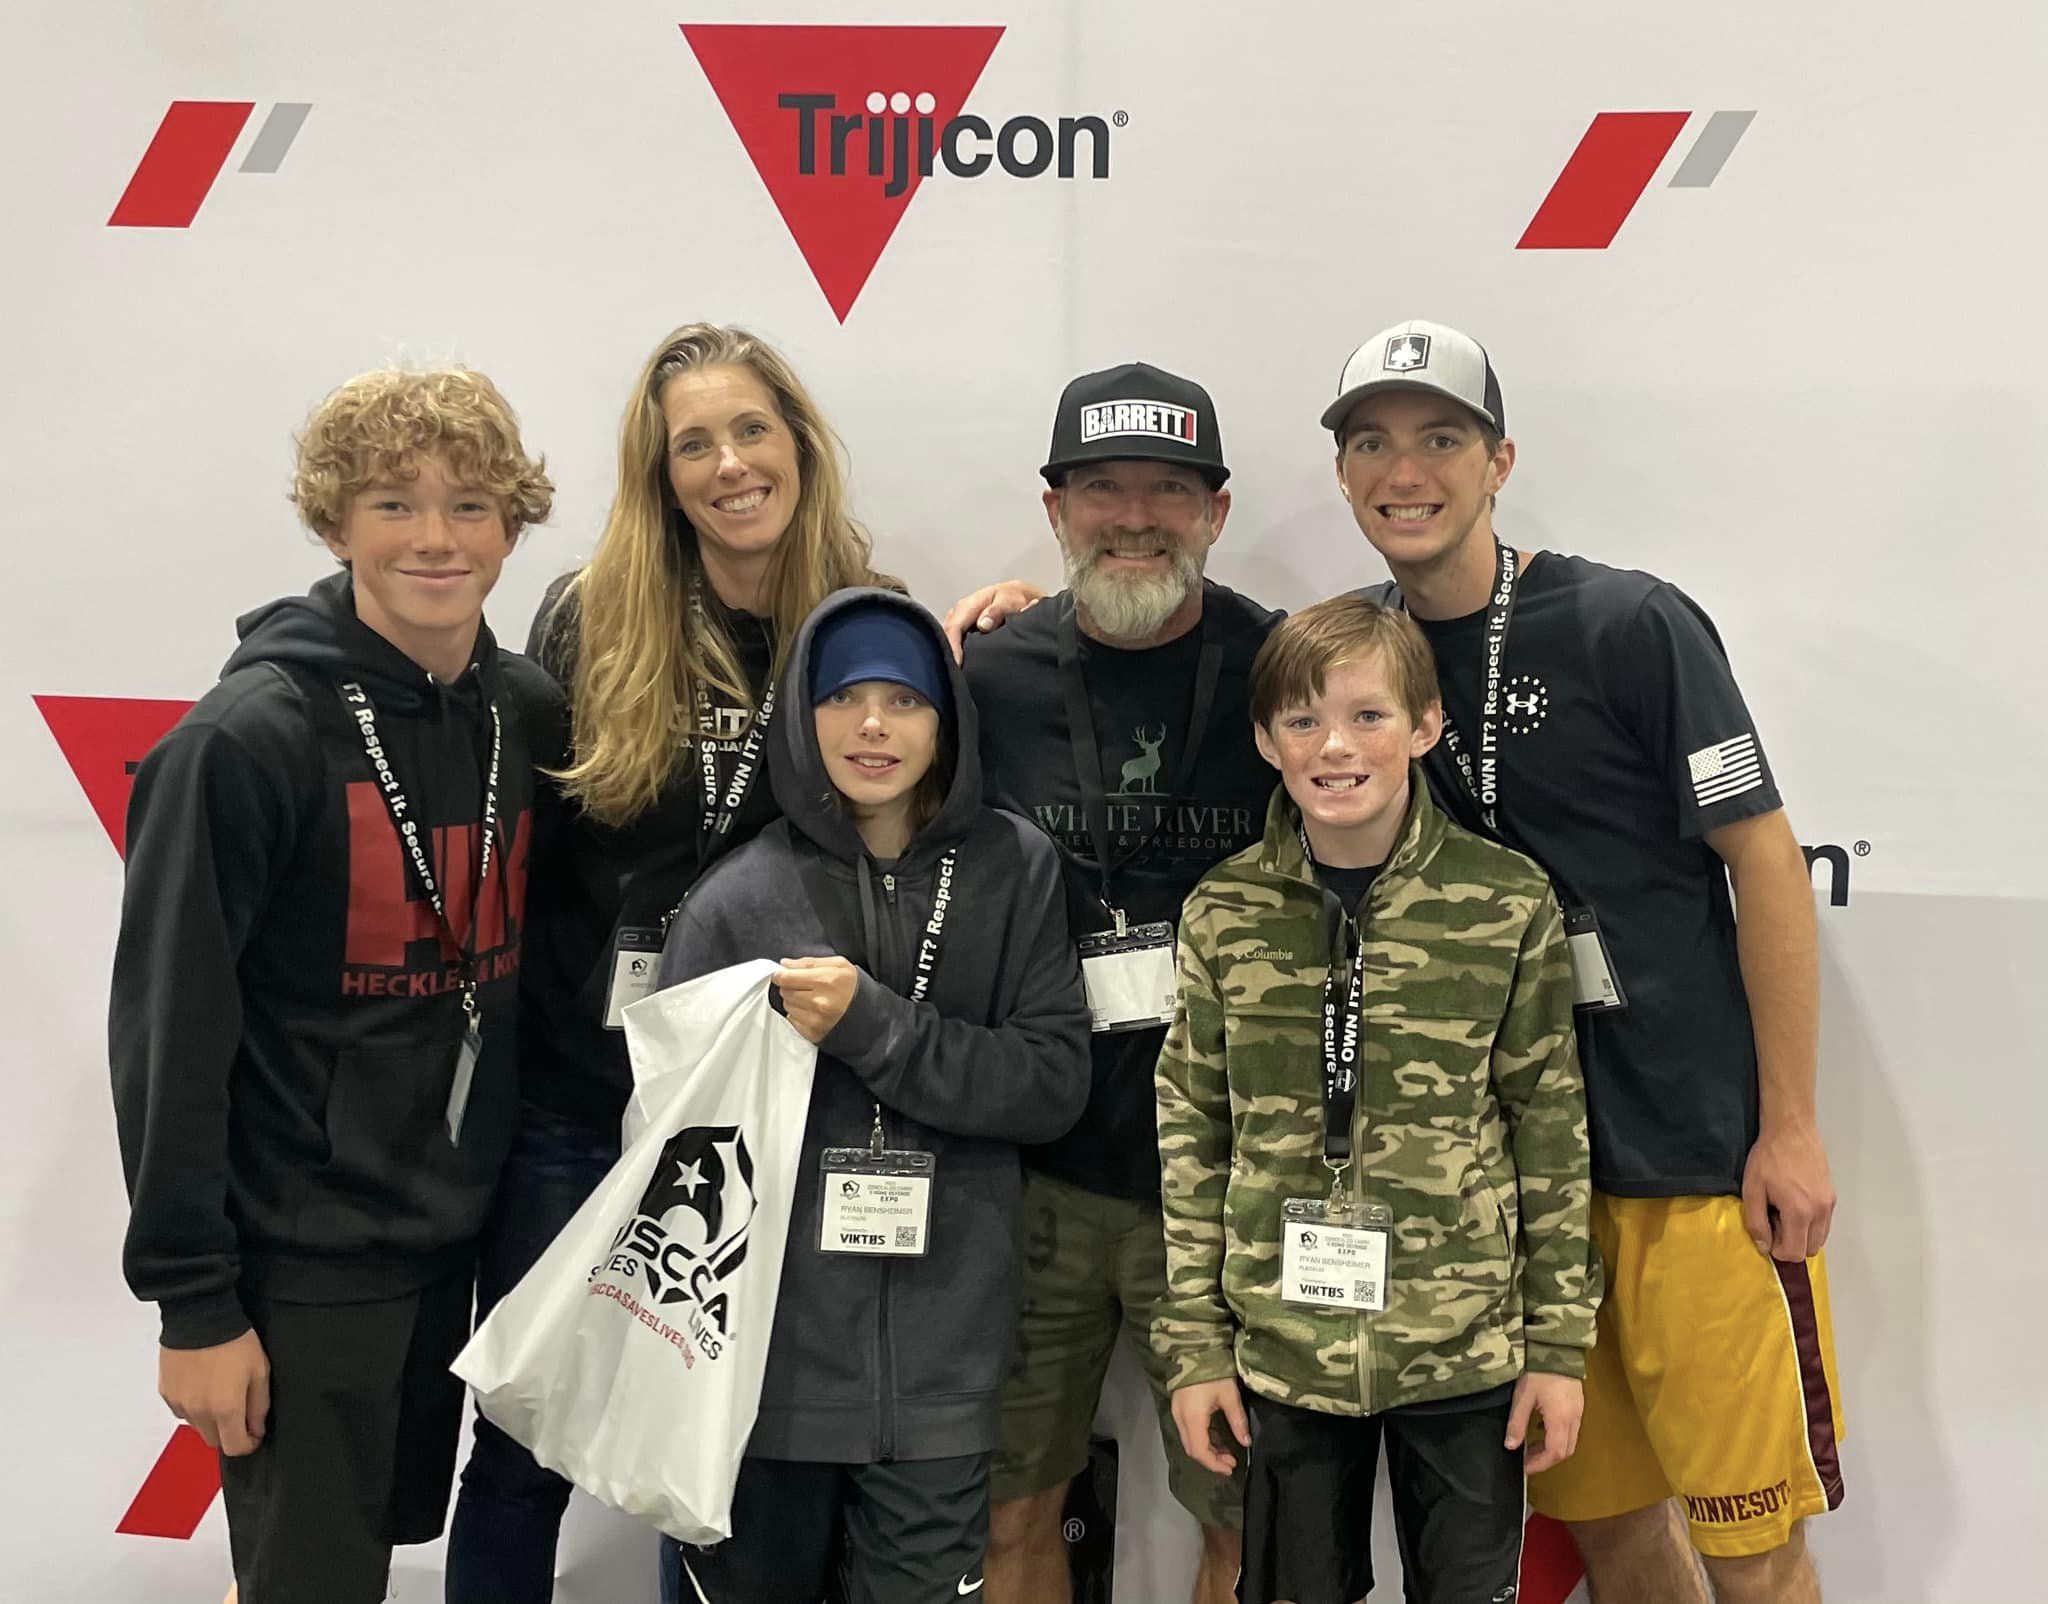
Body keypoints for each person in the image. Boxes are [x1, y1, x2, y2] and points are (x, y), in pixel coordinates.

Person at [1329, 319, 1844, 1603]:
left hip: (1688, 1163)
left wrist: (1787, 1124)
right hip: (1517, 1194)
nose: (1405, 470)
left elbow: (1765, 859)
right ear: (1341, 474)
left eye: (1439, 437)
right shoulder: (1354, 659)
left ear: (1498, 461)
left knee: (1752, 1551)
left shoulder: (1626, 622)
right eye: (1371, 442)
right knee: (1614, 1535)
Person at [446, 324, 898, 1601]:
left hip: (742, 1109)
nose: (728, 464)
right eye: (692, 443)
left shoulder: (858, 615)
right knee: (524, 1434)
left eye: (750, 429)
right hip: (575, 1095)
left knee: (717, 1434)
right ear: (660, 473)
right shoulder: (592, 612)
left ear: (798, 442)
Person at [110, 367, 561, 1604]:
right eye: (393, 504)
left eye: (469, 505)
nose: (435, 538)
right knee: (310, 1577)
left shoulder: (521, 711)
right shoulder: (242, 740)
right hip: (302, 1255)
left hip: (457, 1233)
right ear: (333, 522)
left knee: (351, 1557)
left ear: (511, 524)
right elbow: (168, 1039)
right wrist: (193, 1304)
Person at [1155, 596, 1598, 1604]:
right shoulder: (1224, 911)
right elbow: (1191, 1134)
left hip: (1464, 1346)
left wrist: (1558, 1345)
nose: (1335, 747)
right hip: (1285, 1348)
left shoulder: (1504, 900)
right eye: (1302, 720)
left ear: (1425, 725)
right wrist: (1195, 1347)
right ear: (1265, 740)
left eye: (1368, 715)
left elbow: (1549, 1126)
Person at [652, 589, 1092, 1603]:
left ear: (948, 719)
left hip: (943, 1374)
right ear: (801, 717)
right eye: (843, 697)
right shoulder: (736, 899)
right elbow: (671, 1150)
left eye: (905, 699)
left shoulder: (1012, 868)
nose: (873, 726)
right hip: (764, 1378)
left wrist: (876, 1028)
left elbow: (1049, 1083)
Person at [962, 363, 1278, 1604]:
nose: (1134, 516)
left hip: (1225, 1185)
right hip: (1031, 1176)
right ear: (1053, 510)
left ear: (1216, 510)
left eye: (1168, 489)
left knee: (1247, 1524)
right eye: (1102, 488)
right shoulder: (985, 677)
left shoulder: (1283, 668)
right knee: (1006, 1511)